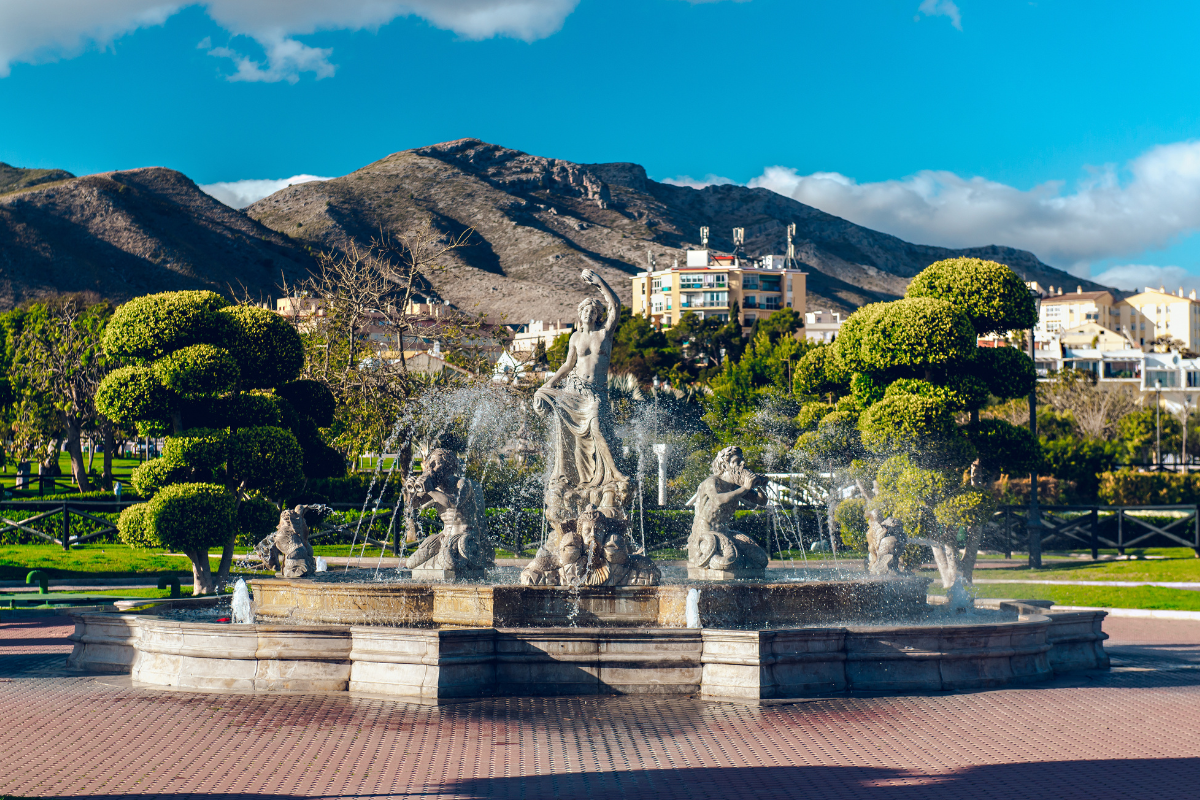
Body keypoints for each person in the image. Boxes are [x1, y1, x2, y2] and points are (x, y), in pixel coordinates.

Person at [532, 269, 630, 526]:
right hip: (574, 389)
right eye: (585, 310)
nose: (589, 313)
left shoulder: (604, 334)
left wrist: (598, 282)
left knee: (596, 426)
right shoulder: (575, 337)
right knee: (572, 439)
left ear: (598, 316)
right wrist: (550, 383)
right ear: (580, 314)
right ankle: (575, 479)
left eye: (593, 311)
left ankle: (613, 474)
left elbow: (616, 305)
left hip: (595, 393)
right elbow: (567, 365)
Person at [689, 446, 770, 578]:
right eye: (737, 461)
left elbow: (761, 501)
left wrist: (760, 487)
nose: (742, 464)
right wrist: (744, 488)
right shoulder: (712, 482)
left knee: (761, 560)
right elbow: (718, 499)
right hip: (705, 536)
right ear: (725, 465)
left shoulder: (736, 486)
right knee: (730, 562)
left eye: (742, 461)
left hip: (725, 533)